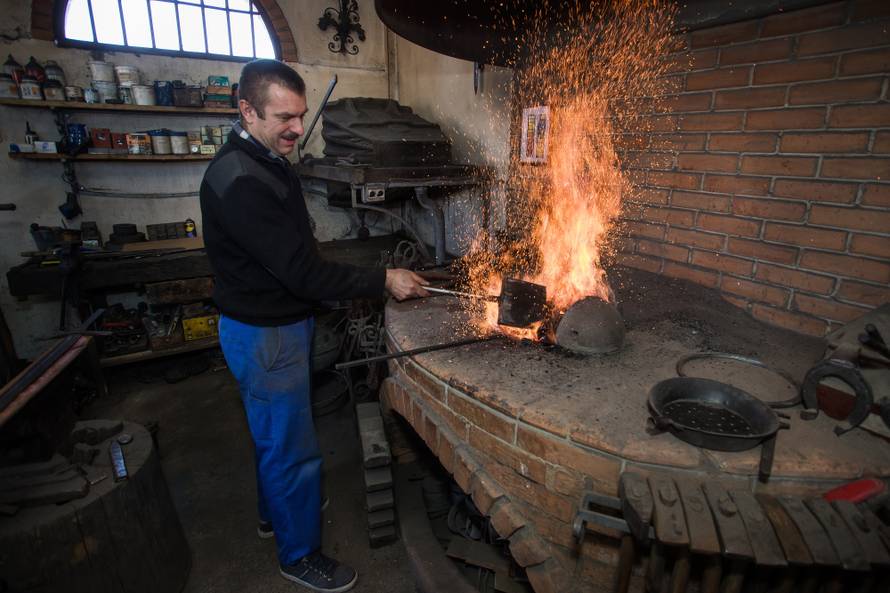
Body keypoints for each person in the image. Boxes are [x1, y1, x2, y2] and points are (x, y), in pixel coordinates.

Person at [200, 59, 428, 592]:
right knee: (294, 449)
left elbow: (293, 251)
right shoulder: (241, 182)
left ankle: (272, 515)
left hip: (267, 326)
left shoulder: (258, 156)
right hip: (266, 335)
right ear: (246, 110)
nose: (298, 130)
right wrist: (382, 279)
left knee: (271, 437)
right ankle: (298, 554)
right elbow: (302, 272)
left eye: (301, 116)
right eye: (285, 118)